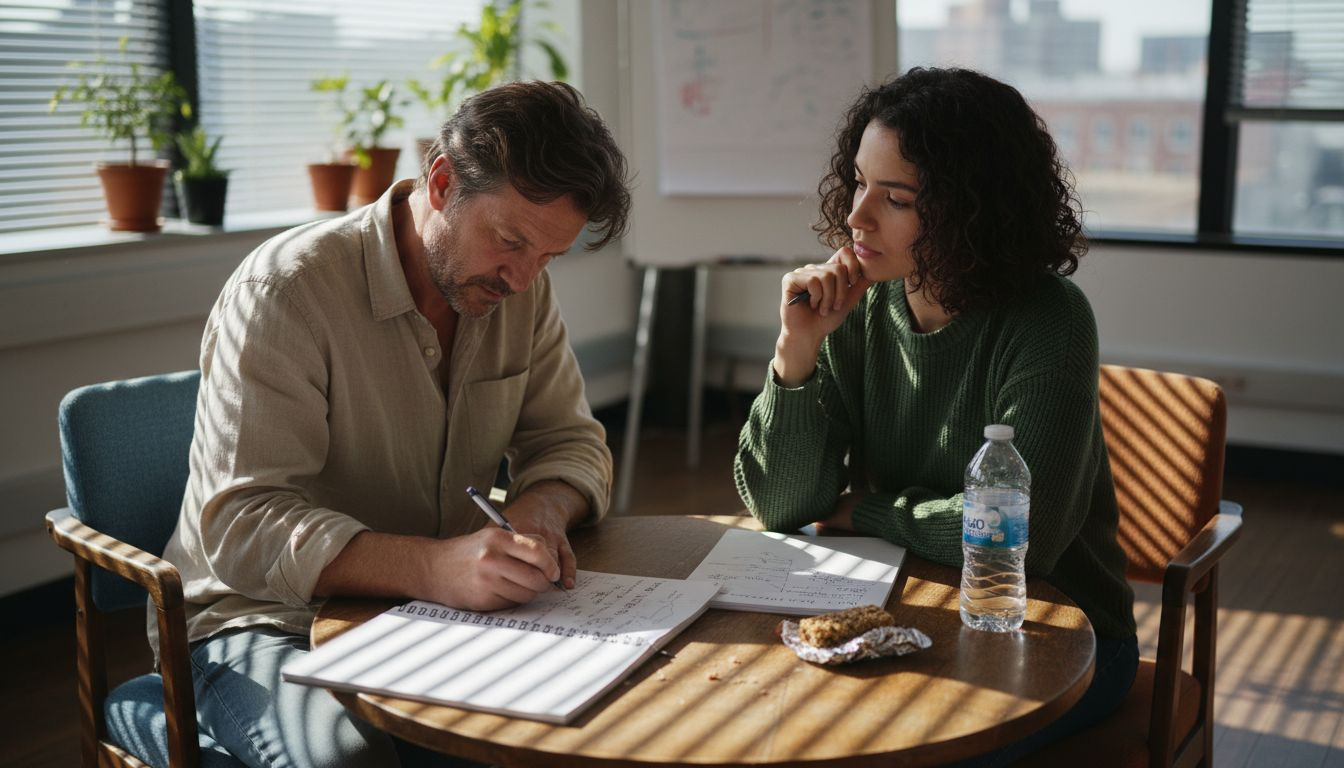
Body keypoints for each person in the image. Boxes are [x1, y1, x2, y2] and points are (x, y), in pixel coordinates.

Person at [153, 80, 631, 768]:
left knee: (584, 723)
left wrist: (539, 513)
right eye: (509, 241)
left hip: (435, 608)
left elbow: (570, 440)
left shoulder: (516, 288)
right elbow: (243, 523)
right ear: (440, 183)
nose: (523, 280)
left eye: (548, 258)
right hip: (262, 619)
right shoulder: (286, 291)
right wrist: (434, 566)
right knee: (350, 758)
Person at [734, 67, 1137, 762]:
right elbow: (782, 504)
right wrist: (795, 353)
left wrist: (870, 512)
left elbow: (1023, 542)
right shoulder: (853, 307)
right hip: (915, 615)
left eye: (894, 198)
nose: (858, 216)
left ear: (969, 211)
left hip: (1056, 640)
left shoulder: (1049, 321)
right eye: (859, 182)